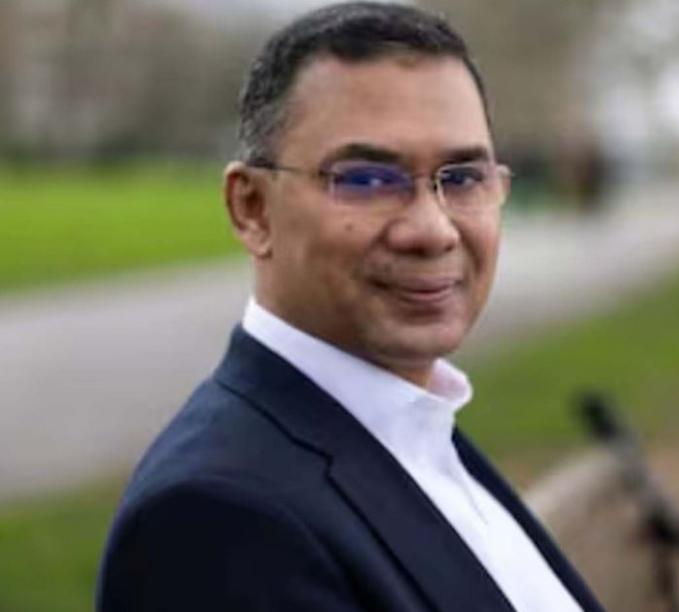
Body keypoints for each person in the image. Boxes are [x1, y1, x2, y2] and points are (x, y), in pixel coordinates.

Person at [97, 3, 604, 611]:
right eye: (367, 179)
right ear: (252, 209)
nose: (432, 230)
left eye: (462, 177)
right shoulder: (216, 521)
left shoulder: (415, 428)